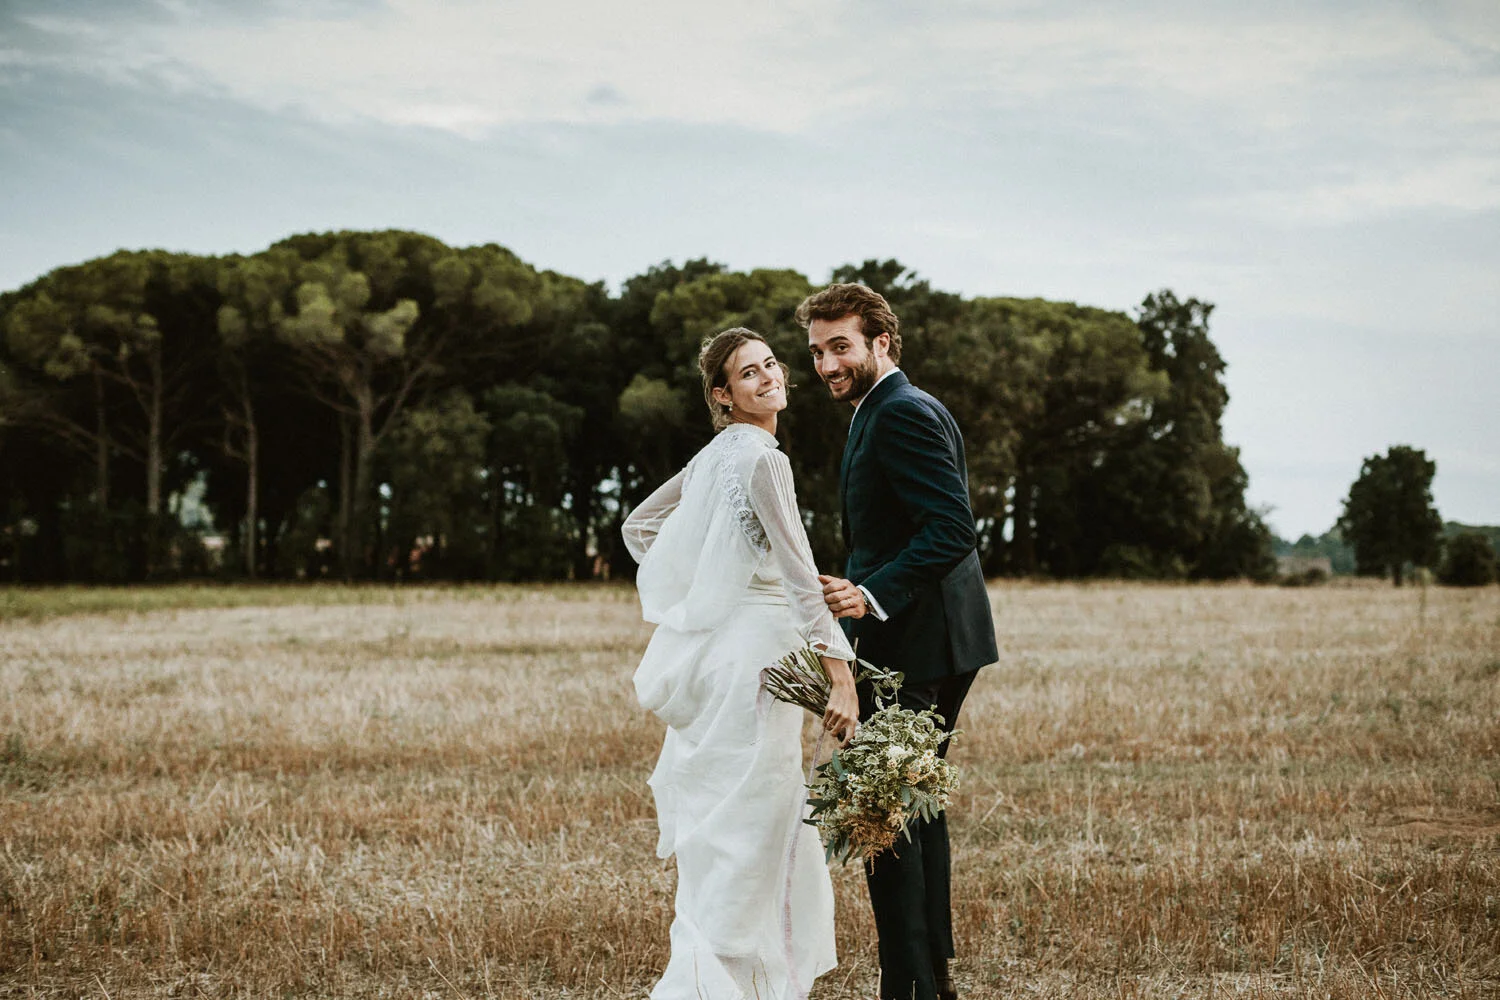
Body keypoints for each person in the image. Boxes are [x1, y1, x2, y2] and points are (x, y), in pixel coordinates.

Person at [622, 327, 861, 1000]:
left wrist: (711, 580)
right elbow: (799, 578)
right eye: (748, 373)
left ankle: (720, 977)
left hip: (715, 658)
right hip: (759, 661)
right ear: (723, 395)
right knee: (759, 826)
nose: (768, 377)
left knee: (725, 824)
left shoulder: (715, 455)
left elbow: (640, 527)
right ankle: (739, 986)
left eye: (771, 364)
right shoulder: (761, 459)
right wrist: (841, 675)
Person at [800, 283, 998, 1000]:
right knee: (911, 808)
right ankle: (929, 979)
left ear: (881, 341)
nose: (827, 365)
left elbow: (952, 528)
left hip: (915, 644)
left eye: (841, 347)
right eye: (817, 351)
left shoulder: (902, 412)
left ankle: (910, 985)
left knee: (884, 814)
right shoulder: (887, 407)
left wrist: (870, 594)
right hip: (929, 638)